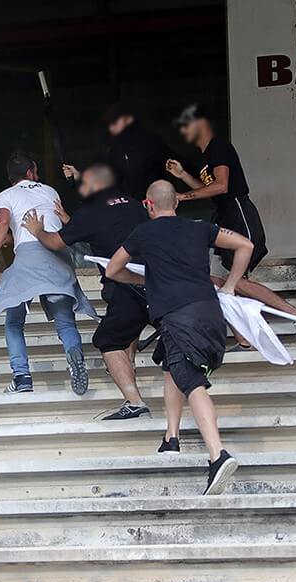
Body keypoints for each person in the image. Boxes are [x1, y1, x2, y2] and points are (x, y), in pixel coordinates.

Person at [106, 180, 254, 495]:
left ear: (148, 205)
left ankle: (218, 455)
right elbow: (246, 245)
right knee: (171, 367)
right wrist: (229, 286)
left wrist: (143, 279)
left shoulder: (142, 234)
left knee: (192, 381)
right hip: (210, 314)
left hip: (178, 316)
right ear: (177, 203)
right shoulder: (200, 228)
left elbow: (112, 270)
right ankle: (171, 437)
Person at [165, 103, 296, 345]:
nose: (183, 131)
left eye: (186, 125)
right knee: (217, 282)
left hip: (238, 214)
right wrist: (183, 176)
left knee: (237, 282)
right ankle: (244, 339)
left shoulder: (219, 146)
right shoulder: (206, 156)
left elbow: (222, 186)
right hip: (224, 217)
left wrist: (182, 196)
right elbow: (212, 191)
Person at [21, 163, 153, 420]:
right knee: (132, 327)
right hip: (157, 282)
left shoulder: (91, 212)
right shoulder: (134, 204)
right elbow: (105, 232)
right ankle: (131, 364)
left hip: (124, 284)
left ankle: (135, 402)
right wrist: (71, 220)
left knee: (108, 339)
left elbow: (56, 241)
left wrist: (38, 230)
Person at [0, 150, 97, 395]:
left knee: (13, 322)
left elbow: (2, 223)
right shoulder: (49, 191)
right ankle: (75, 357)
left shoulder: (5, 196)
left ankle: (22, 378)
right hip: (58, 257)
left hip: (28, 259)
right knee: (65, 322)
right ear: (31, 173)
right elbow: (61, 223)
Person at [62, 102, 177, 201]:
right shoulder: (113, 147)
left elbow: (173, 168)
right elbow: (106, 178)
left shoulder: (151, 142)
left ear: (129, 119)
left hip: (154, 207)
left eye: (115, 122)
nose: (111, 127)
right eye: (109, 123)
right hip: (128, 210)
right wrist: (79, 176)